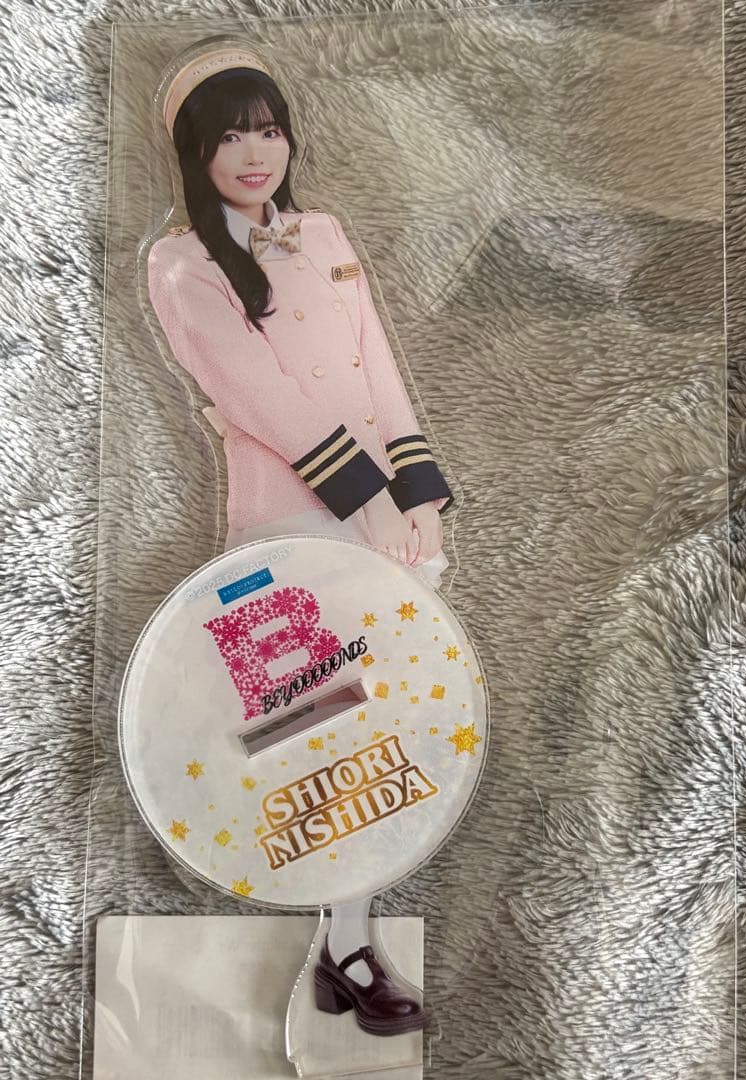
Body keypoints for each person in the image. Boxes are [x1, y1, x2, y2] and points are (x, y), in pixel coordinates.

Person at [146, 41, 454, 1036]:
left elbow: (377, 366)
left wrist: (417, 489)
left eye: (268, 130)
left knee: (384, 734)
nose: (253, 153)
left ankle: (341, 949)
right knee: (311, 739)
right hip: (285, 529)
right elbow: (257, 393)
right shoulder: (180, 263)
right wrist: (362, 497)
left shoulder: (323, 234)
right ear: (195, 153)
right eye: (228, 137)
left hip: (387, 523)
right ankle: (337, 951)